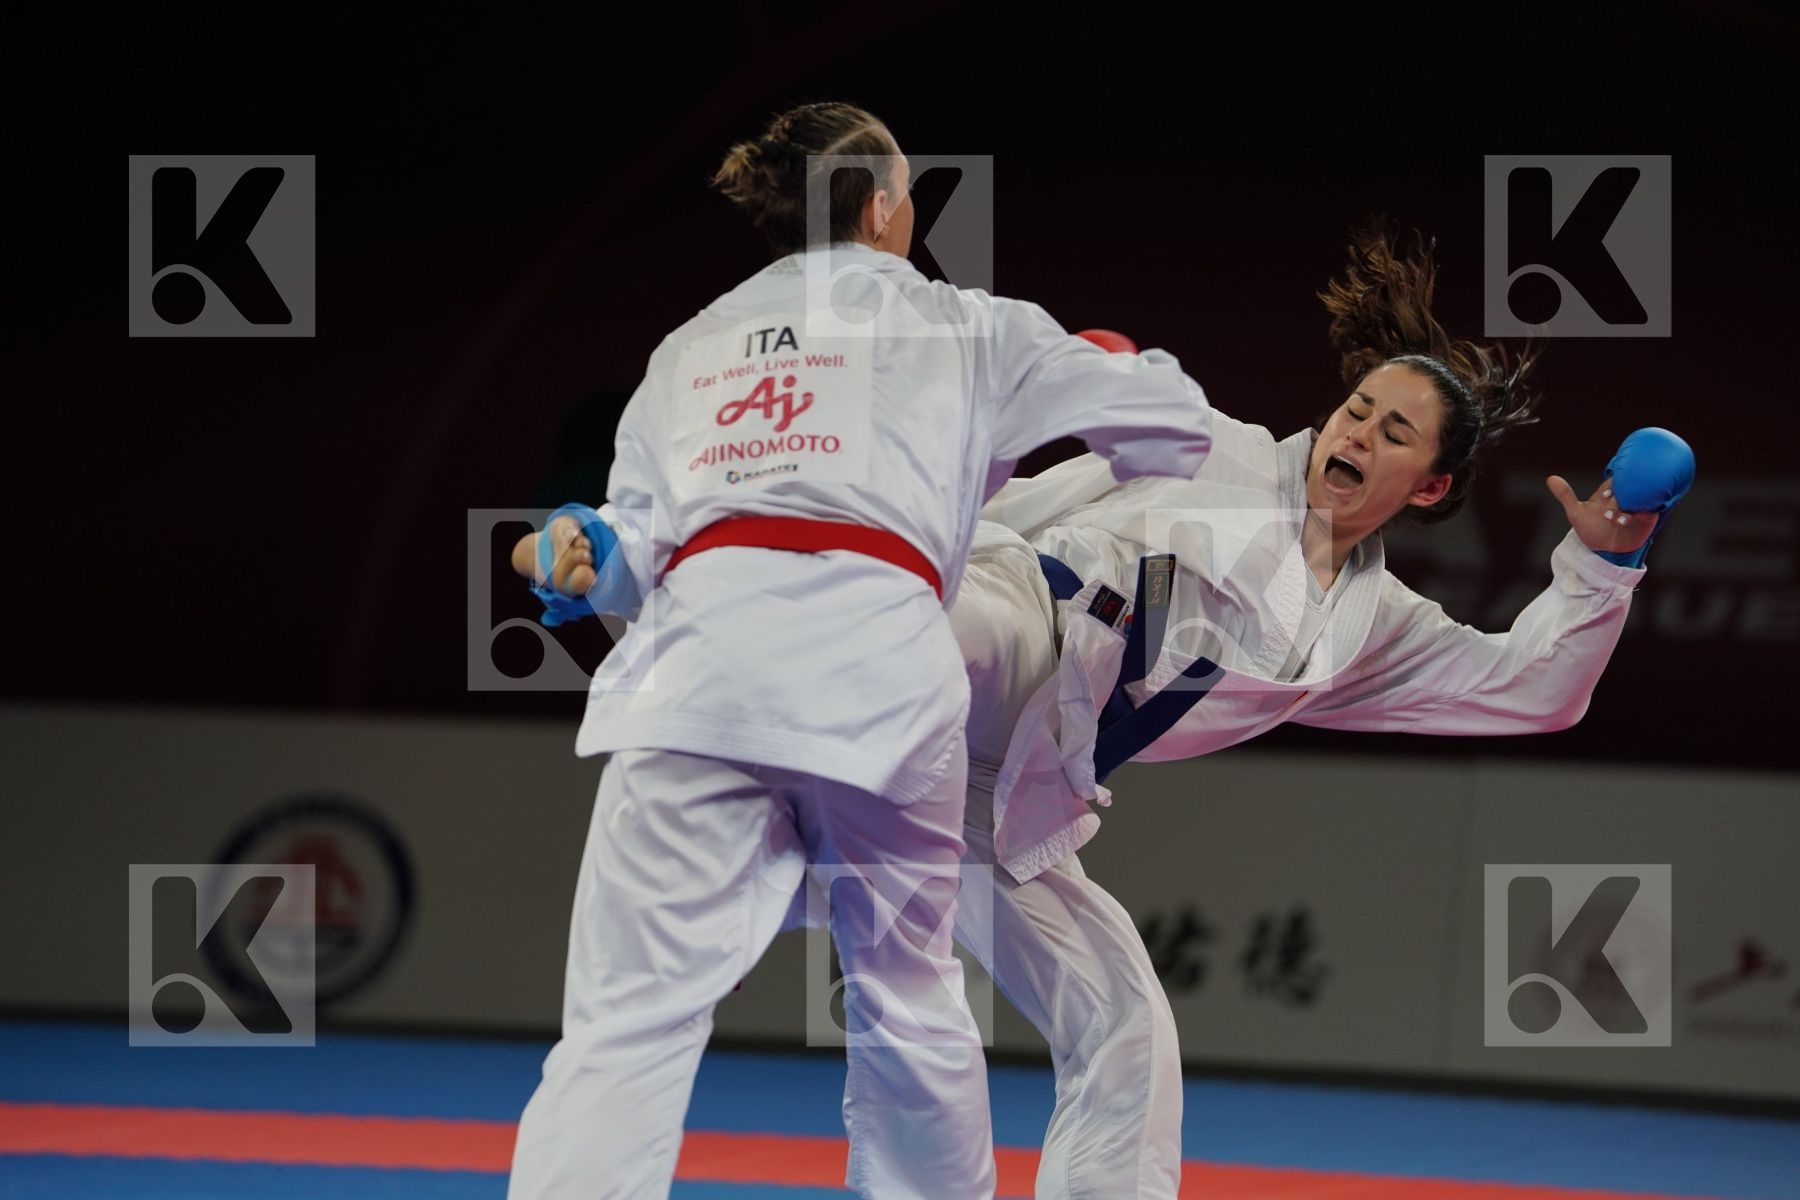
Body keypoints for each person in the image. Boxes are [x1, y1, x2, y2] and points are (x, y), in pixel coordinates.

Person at [505, 101, 1214, 1200]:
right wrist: (1102, 366)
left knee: (626, 1021)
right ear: (883, 206)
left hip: (700, 678)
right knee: (903, 994)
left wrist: (584, 542)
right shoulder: (964, 323)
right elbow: (1177, 426)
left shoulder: (688, 345)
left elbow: (629, 550)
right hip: (876, 683)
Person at [937, 224, 1684, 1199]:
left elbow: (1534, 693)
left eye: (1393, 432)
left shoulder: (1367, 629)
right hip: (1005, 631)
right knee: (944, 635)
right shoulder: (1214, 451)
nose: (1357, 432)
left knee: (1125, 1026)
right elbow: (1010, 515)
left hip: (1013, 794)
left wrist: (1605, 564)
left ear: (1431, 487)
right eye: (1356, 408)